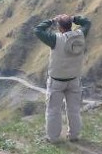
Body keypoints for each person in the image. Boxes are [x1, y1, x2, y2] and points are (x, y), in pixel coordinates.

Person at [34, 13, 91, 143]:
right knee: (74, 109)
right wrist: (74, 18)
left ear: (60, 27)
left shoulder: (55, 39)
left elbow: (37, 30)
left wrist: (51, 20)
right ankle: (74, 135)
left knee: (54, 110)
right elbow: (87, 23)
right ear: (70, 25)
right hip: (74, 80)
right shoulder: (80, 35)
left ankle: (53, 138)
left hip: (57, 81)